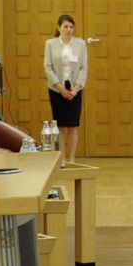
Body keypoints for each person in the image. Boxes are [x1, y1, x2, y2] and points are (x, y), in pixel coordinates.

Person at [45, 13, 89, 162]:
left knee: (73, 125)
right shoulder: (50, 44)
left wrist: (75, 89)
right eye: (65, 26)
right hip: (57, 89)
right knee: (61, 126)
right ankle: (62, 158)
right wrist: (61, 89)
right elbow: (48, 67)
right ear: (59, 28)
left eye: (71, 27)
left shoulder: (80, 44)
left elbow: (84, 68)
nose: (69, 29)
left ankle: (71, 158)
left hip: (75, 90)